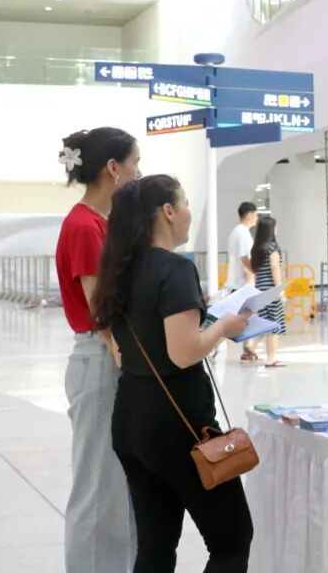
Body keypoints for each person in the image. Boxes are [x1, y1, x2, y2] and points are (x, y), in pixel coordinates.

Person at [92, 174, 253, 572]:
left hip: (131, 419)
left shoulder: (120, 270)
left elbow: (124, 349)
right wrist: (224, 327)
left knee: (155, 546)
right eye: (185, 204)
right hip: (177, 423)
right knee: (231, 540)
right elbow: (183, 354)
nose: (188, 213)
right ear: (168, 211)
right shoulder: (175, 269)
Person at [54, 126, 140, 573]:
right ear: (113, 168)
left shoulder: (102, 223)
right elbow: (97, 305)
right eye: (134, 163)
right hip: (100, 358)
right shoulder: (84, 225)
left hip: (110, 357)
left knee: (116, 485)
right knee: (96, 485)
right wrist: (121, 351)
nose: (137, 172)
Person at [250, 216, 287, 368]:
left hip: (260, 289)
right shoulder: (272, 248)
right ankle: (271, 358)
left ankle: (250, 348)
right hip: (271, 290)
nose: (277, 229)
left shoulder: (257, 249)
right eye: (275, 227)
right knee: (274, 325)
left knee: (264, 322)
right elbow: (275, 268)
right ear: (271, 230)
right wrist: (279, 289)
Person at [227, 202, 258, 363]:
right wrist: (254, 272)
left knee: (245, 318)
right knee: (241, 318)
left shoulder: (236, 231)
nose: (256, 218)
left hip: (237, 282)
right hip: (243, 283)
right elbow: (245, 257)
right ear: (250, 214)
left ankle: (247, 348)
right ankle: (213, 348)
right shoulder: (244, 233)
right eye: (256, 214)